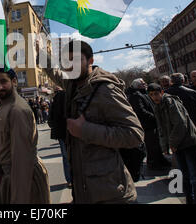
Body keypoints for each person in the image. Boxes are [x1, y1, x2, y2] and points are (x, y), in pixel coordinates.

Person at [38, 39, 144, 204]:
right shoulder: (73, 83)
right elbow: (55, 72)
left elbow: (134, 134)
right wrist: (40, 51)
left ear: (90, 61)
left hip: (112, 193)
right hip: (86, 191)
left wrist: (85, 130)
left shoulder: (105, 90)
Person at [0, 66, 50, 204]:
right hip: (12, 179)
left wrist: (19, 197)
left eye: (3, 81)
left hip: (24, 181)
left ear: (14, 81)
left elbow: (22, 160)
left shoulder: (17, 110)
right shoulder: (4, 106)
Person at [147, 83, 196, 204]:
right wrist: (165, 146)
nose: (155, 97)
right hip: (177, 144)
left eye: (156, 94)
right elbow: (161, 128)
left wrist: (172, 143)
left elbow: (180, 124)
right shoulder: (157, 106)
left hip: (188, 141)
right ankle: (190, 200)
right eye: (152, 95)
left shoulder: (170, 103)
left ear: (162, 92)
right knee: (184, 176)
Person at [127, 78, 170, 171]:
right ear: (138, 86)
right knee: (152, 145)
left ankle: (160, 160)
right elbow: (140, 111)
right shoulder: (136, 96)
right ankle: (154, 163)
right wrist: (154, 116)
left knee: (156, 144)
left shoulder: (144, 94)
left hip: (151, 123)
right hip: (147, 125)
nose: (145, 84)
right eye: (142, 83)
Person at [48, 87, 72, 187]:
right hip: (71, 131)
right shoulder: (72, 93)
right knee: (71, 156)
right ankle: (72, 179)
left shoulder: (59, 97)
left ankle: (70, 180)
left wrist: (53, 126)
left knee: (66, 157)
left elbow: (51, 117)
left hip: (63, 132)